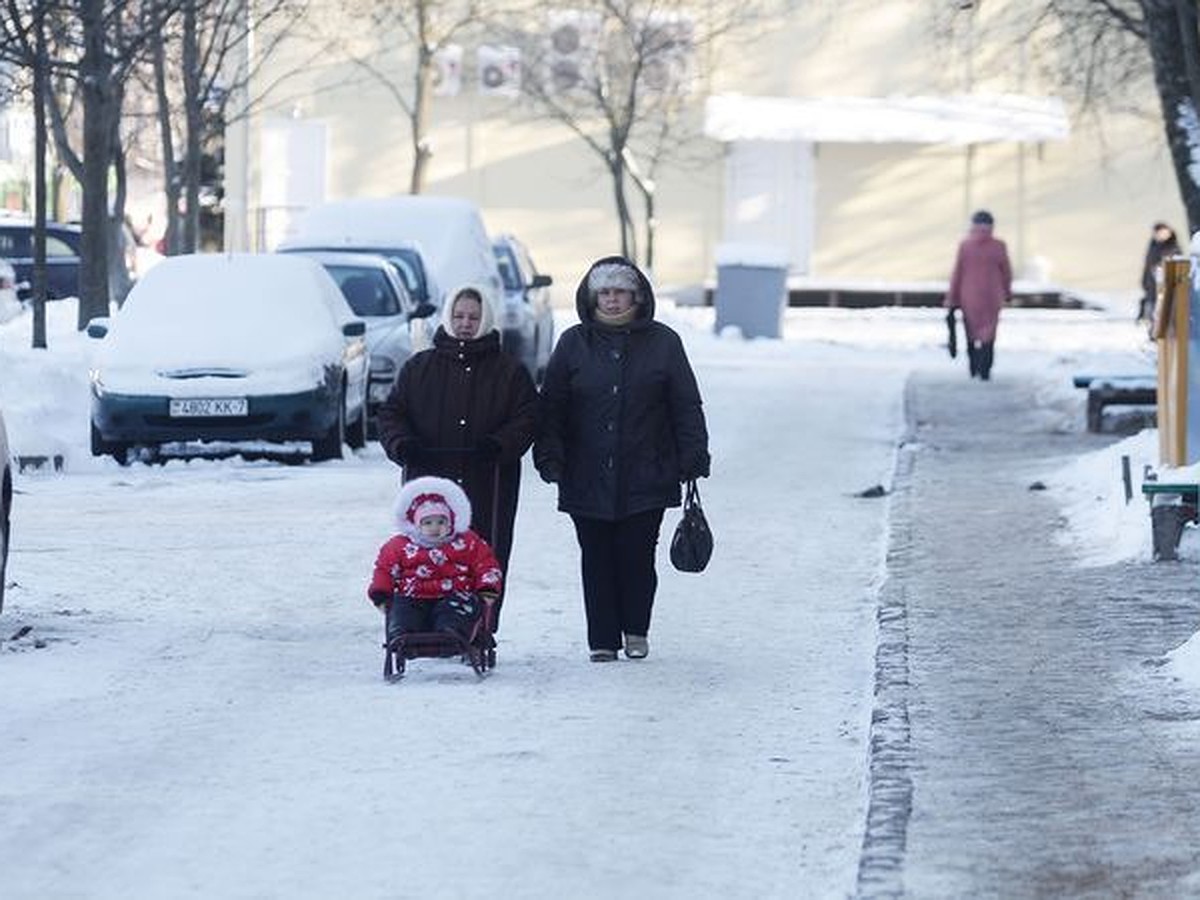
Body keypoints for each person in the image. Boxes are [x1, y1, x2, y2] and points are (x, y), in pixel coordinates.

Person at [534, 256, 710, 663]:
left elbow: (686, 404)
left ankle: (635, 629)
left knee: (636, 555)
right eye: (605, 292)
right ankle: (602, 639)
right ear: (593, 296)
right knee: (595, 556)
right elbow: (553, 406)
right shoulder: (574, 343)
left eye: (620, 292)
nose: (612, 300)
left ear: (637, 295)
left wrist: (693, 453)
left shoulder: (664, 343)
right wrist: (549, 454)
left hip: (647, 469)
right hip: (584, 470)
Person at [375, 283, 537, 626]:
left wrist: (500, 444)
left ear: (486, 320)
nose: (466, 323)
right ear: (448, 317)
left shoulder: (509, 371)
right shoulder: (419, 368)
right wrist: (402, 444)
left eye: (474, 317)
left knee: (483, 554)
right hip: (430, 480)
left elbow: (527, 417)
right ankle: (418, 624)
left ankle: (481, 625)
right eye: (459, 316)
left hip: (487, 478)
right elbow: (391, 414)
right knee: (425, 552)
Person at [368, 476, 503, 644]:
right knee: (401, 608)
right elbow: (384, 569)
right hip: (413, 596)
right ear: (416, 524)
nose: (435, 528)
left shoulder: (467, 542)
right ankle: (403, 633)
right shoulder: (399, 546)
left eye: (441, 522)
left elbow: (486, 564)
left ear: (451, 522)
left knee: (460, 608)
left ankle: (452, 633)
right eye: (427, 523)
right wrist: (380, 593)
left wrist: (487, 588)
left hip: (454, 594)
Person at [944, 210, 1012, 381]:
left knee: (971, 332)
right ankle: (986, 368)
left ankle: (974, 366)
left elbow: (957, 272)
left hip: (969, 296)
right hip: (992, 296)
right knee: (989, 333)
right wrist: (1007, 292)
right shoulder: (999, 246)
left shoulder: (965, 246)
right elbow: (1006, 272)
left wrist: (952, 297)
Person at [1139, 221, 1180, 323]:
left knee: (1162, 311)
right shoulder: (1153, 246)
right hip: (1151, 285)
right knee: (1151, 311)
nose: (1159, 234)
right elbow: (1147, 265)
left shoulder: (1173, 247)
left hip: (1165, 286)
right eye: (1157, 232)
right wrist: (1144, 281)